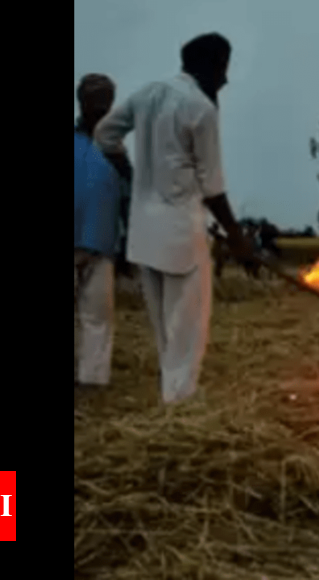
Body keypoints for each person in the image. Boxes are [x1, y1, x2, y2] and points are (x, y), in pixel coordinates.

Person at [94, 32, 255, 404]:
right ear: (210, 66)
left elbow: (104, 133)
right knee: (187, 330)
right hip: (181, 234)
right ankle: (178, 409)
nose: (226, 80)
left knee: (165, 330)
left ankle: (172, 399)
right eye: (223, 70)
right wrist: (237, 237)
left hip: (143, 233)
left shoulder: (147, 93)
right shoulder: (201, 108)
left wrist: (129, 170)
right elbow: (213, 186)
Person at [75, 73, 124, 390]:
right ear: (81, 101)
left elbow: (132, 196)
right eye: (96, 99)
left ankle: (92, 380)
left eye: (107, 99)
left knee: (98, 315)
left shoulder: (117, 153)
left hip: (103, 245)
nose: (102, 106)